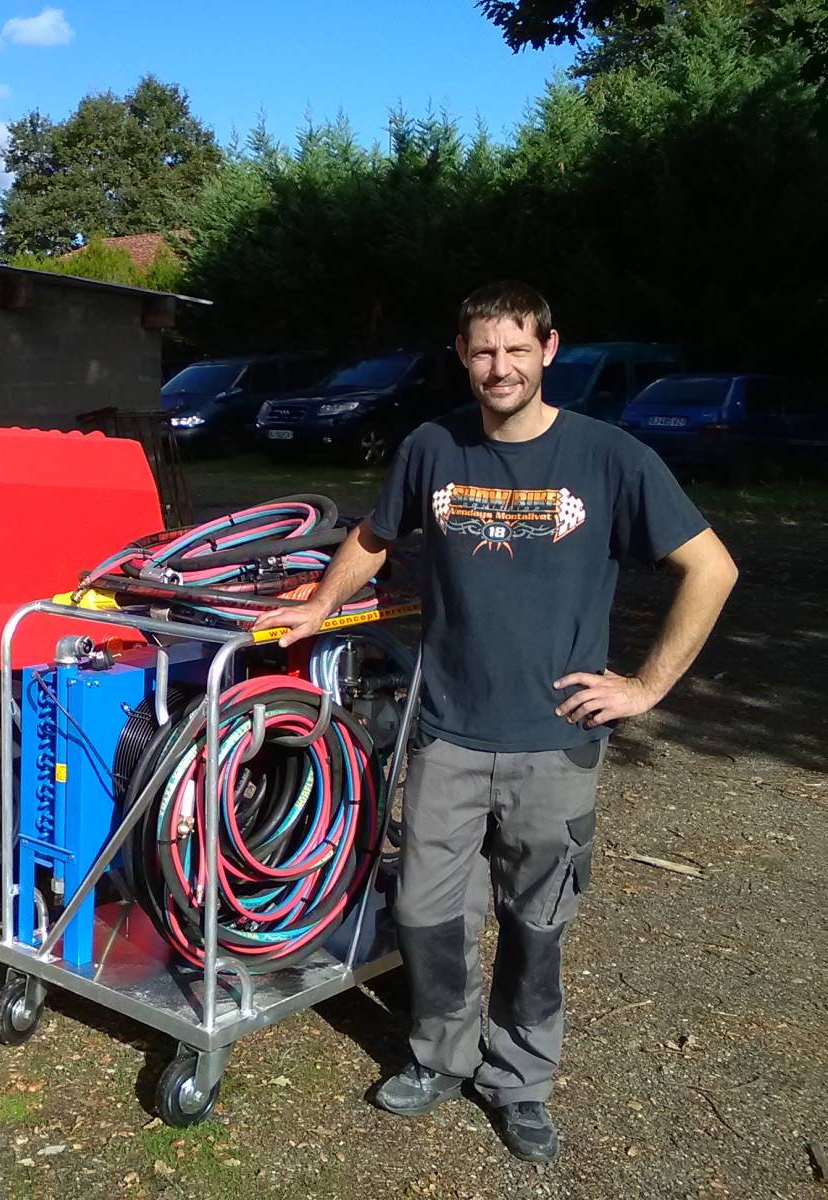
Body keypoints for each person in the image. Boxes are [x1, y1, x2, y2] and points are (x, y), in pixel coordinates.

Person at [252, 281, 737, 1163]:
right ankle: (441, 1056)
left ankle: (519, 1080)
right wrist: (321, 603)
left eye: (516, 349)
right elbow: (374, 537)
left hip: (554, 741)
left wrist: (645, 687)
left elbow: (712, 568)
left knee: (536, 923)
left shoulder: (609, 456)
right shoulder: (433, 446)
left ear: (549, 350)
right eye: (483, 351)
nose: (499, 367)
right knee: (425, 911)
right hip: (447, 730)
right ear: (462, 355)